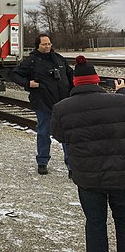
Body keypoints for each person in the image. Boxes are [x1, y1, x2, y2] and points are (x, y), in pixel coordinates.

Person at [51, 56, 125, 251]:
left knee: (95, 222)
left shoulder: (61, 108)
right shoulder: (119, 102)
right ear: (97, 80)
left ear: (74, 82)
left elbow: (59, 136)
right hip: (121, 174)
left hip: (87, 176)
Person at [10, 33, 73, 175]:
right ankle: (42, 162)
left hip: (63, 102)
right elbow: (14, 74)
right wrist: (27, 83)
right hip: (43, 103)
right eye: (44, 44)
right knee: (43, 133)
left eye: (49, 44)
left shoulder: (59, 59)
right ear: (37, 45)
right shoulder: (31, 61)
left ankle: (71, 166)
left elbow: (71, 75)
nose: (47, 46)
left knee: (67, 135)